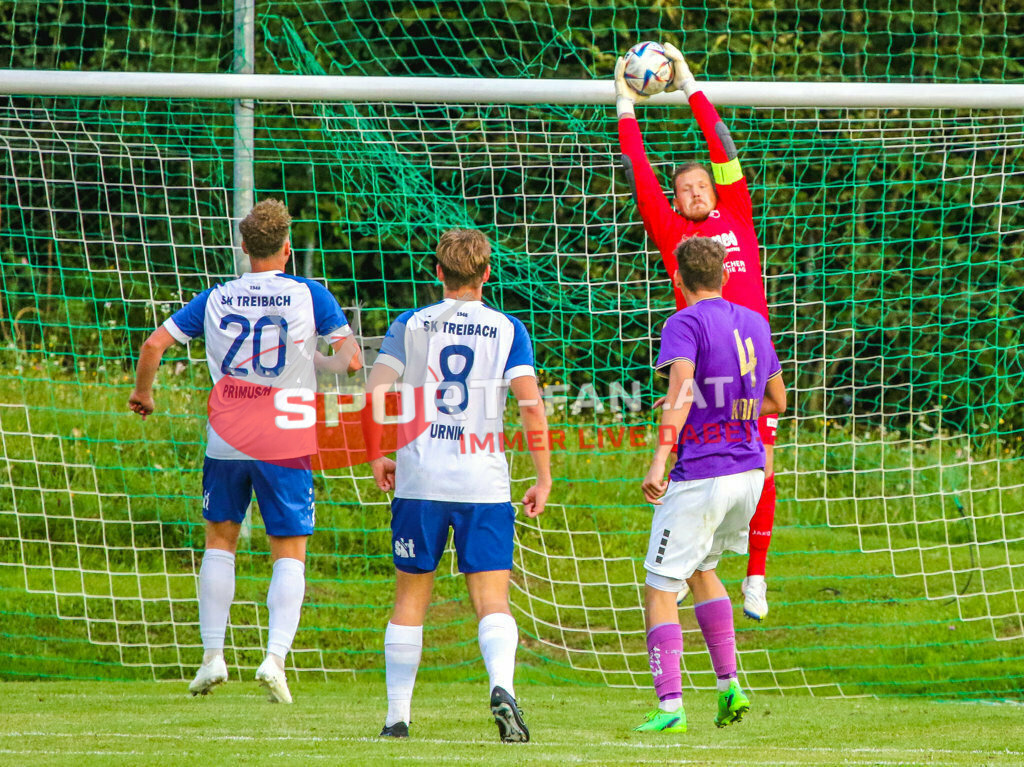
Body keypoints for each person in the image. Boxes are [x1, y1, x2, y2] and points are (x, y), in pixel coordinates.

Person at [128, 199, 362, 703]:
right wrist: (316, 359)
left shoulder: (216, 296)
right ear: (287, 247)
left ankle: (213, 657)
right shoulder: (309, 293)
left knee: (220, 541)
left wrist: (144, 393)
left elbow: (152, 347)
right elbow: (350, 361)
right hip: (285, 436)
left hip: (228, 436)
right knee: (289, 550)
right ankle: (274, 659)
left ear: (243, 246)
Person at [362, 228, 551, 742]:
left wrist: (377, 452)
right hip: (482, 480)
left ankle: (397, 719)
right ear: (487, 274)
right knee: (493, 600)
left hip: (420, 478)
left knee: (409, 599)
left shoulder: (411, 322)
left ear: (438, 272)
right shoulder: (508, 327)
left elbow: (375, 390)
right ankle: (502, 687)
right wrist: (543, 474)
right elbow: (531, 403)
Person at [615, 43, 779, 620]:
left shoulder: (736, 209)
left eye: (700, 184)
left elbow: (722, 146)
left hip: (753, 356)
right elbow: (641, 178)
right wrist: (625, 106)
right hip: (704, 361)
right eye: (684, 188)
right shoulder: (670, 232)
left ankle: (756, 574)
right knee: (697, 464)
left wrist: (688, 84)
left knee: (764, 461)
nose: (693, 191)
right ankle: (690, 560)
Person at [635, 236, 786, 733]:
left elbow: (679, 389)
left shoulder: (684, 322)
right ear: (724, 276)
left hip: (703, 475)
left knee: (659, 587)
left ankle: (670, 708)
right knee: (703, 570)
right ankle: (729, 689)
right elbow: (777, 402)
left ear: (678, 279)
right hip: (748, 475)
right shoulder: (756, 322)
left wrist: (660, 458)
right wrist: (714, 408)